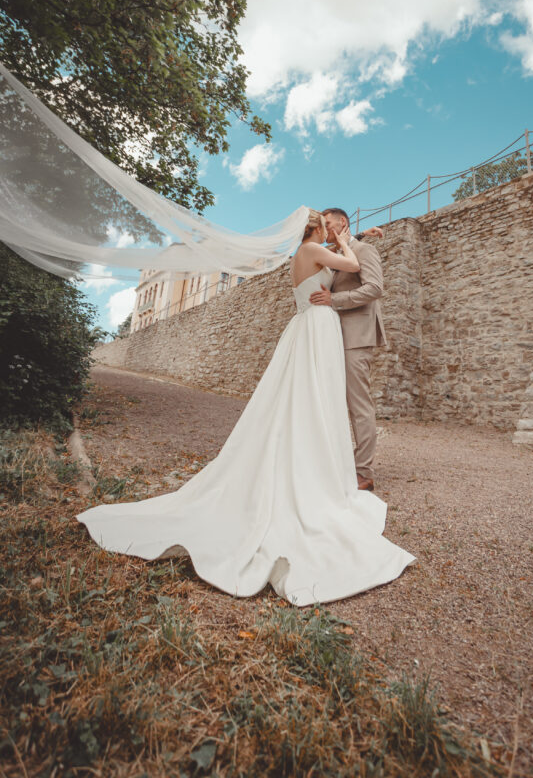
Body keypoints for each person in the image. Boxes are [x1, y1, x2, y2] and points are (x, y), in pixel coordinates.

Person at [77, 209, 415, 606]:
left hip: (330, 329)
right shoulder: (319, 252)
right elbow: (347, 262)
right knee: (314, 401)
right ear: (323, 228)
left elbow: (368, 279)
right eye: (330, 226)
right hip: (320, 327)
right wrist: (345, 246)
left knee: (322, 402)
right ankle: (327, 470)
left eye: (335, 225)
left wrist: (353, 241)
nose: (333, 230)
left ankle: (356, 471)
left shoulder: (315, 250)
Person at [309, 209, 386, 492]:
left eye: (328, 224)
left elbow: (375, 288)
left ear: (342, 222)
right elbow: (335, 249)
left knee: (359, 406)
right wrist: (360, 232)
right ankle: (340, 462)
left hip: (357, 337)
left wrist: (334, 300)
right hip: (334, 337)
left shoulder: (364, 250)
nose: (324, 229)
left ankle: (364, 472)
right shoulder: (341, 248)